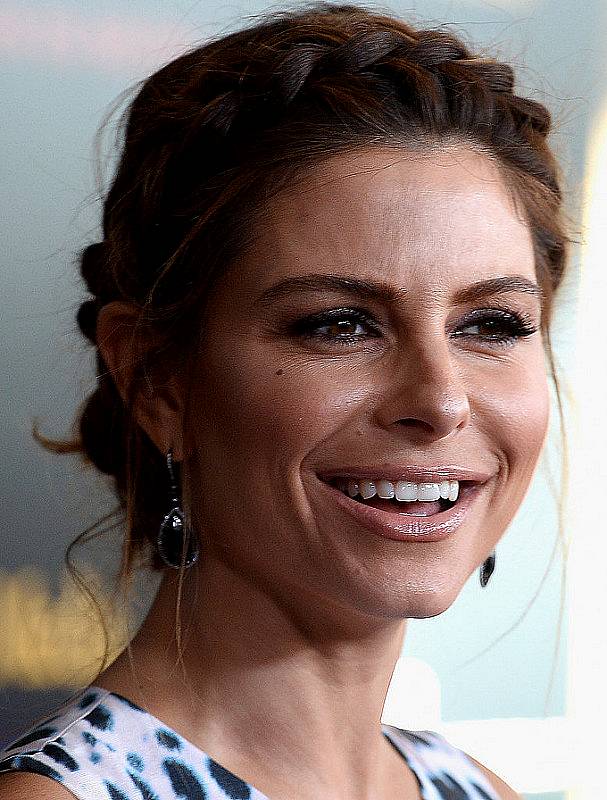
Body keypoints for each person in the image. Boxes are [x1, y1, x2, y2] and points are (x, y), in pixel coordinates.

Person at [0, 2, 569, 798]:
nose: (440, 400)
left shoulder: (477, 789)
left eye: (491, 324)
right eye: (339, 325)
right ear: (156, 378)